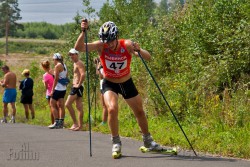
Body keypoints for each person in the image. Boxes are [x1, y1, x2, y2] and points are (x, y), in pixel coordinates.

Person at [75, 20, 163, 157]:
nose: (108, 44)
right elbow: (79, 47)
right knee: (111, 108)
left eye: (110, 41)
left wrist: (139, 50)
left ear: (116, 37)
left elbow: (148, 57)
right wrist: (83, 31)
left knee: (139, 111)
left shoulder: (126, 45)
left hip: (126, 82)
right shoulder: (101, 46)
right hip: (110, 83)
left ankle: (148, 141)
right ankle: (116, 142)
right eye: (105, 41)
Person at [65, 48, 85, 131]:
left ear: (77, 54)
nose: (71, 56)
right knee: (78, 106)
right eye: (70, 55)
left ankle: (76, 123)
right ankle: (79, 126)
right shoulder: (75, 63)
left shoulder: (79, 63)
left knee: (67, 104)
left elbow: (83, 74)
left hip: (77, 87)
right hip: (77, 86)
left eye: (73, 54)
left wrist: (78, 84)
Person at [49, 53, 68, 129]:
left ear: (56, 59)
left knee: (52, 104)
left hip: (57, 88)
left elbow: (56, 78)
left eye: (53, 59)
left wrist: (52, 90)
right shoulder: (64, 65)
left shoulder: (57, 66)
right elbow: (66, 76)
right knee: (61, 105)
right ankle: (61, 122)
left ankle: (56, 122)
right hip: (63, 88)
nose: (53, 61)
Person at [41, 60, 58, 127]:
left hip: (49, 93)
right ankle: (60, 122)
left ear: (43, 67)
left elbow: (46, 87)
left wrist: (43, 82)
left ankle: (53, 122)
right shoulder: (54, 72)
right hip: (56, 91)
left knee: (52, 108)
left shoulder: (45, 75)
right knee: (57, 107)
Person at [94, 57, 108, 126]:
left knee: (105, 105)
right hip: (102, 86)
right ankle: (104, 121)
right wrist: (97, 65)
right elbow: (97, 73)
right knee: (104, 105)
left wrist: (99, 68)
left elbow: (101, 77)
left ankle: (104, 122)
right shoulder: (100, 66)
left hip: (105, 86)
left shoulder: (105, 66)